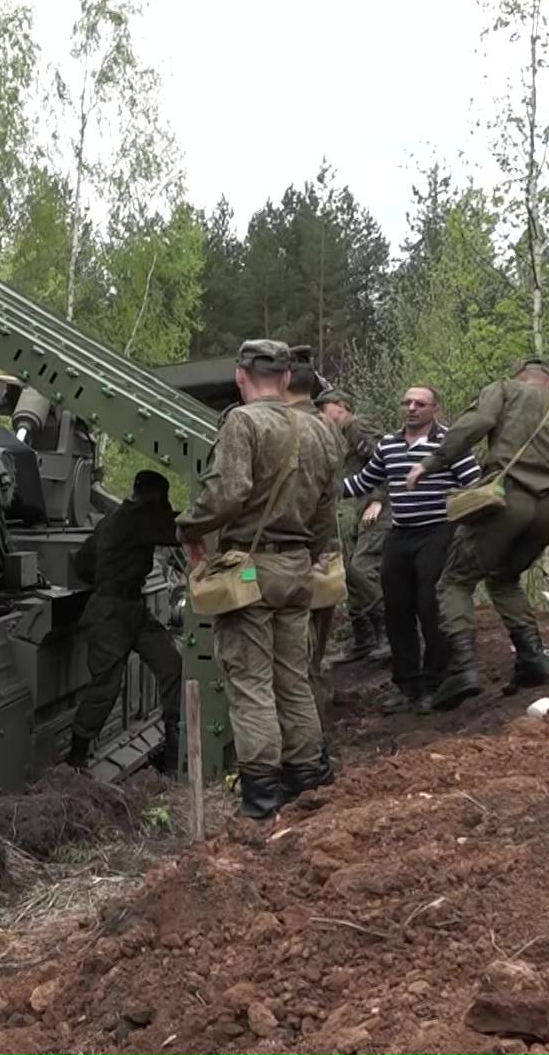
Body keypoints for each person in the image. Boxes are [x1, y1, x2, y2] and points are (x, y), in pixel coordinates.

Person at [177, 340, 341, 819]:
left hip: (250, 570)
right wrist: (315, 556)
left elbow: (229, 492)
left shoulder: (243, 422)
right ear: (288, 379)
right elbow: (328, 509)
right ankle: (307, 775)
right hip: (297, 570)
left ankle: (262, 797)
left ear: (240, 376)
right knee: (294, 678)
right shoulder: (322, 431)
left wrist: (189, 528)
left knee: (250, 684)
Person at [407, 357, 549, 710]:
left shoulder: (503, 390)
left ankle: (462, 670)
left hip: (505, 501)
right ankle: (533, 660)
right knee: (504, 579)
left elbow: (477, 422)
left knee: (454, 582)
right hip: (545, 511)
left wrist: (431, 463)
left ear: (519, 377)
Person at [342, 387, 482, 713]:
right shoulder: (389, 445)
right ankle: (407, 686)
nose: (412, 408)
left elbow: (473, 483)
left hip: (437, 532)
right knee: (397, 610)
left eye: (420, 404)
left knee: (430, 606)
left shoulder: (450, 444)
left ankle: (437, 682)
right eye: (407, 402)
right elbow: (364, 480)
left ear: (435, 408)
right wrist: (323, 489)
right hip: (399, 533)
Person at [67, 470, 183, 773]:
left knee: (171, 663)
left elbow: (82, 562)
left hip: (128, 608)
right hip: (111, 612)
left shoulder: (115, 520)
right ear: (157, 497)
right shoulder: (137, 518)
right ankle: (75, 759)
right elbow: (179, 529)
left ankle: (174, 744)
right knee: (106, 687)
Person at [283, 347, 348, 723]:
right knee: (313, 655)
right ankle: (317, 741)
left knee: (294, 663)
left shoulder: (280, 426)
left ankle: (304, 749)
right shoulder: (329, 431)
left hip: (294, 556)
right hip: (324, 552)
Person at [314, 389, 389, 664]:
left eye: (326, 408)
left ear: (343, 406)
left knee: (362, 568)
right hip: (357, 510)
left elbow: (387, 462)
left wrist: (379, 499)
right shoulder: (339, 437)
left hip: (377, 508)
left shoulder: (358, 426)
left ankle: (386, 632)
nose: (322, 415)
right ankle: (364, 637)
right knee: (349, 572)